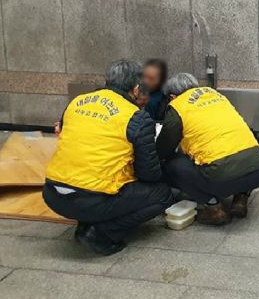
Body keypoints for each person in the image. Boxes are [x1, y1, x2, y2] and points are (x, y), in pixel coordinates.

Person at [43, 60, 173, 255]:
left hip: (53, 193)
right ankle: (101, 233)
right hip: (91, 199)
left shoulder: (77, 102)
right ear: (136, 89)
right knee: (161, 194)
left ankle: (86, 223)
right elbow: (149, 174)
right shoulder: (135, 117)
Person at [157, 73, 259, 225]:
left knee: (174, 166)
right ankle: (241, 199)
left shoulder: (178, 106)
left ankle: (214, 208)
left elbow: (164, 148)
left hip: (222, 178)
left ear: (172, 97)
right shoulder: (216, 95)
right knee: (241, 157)